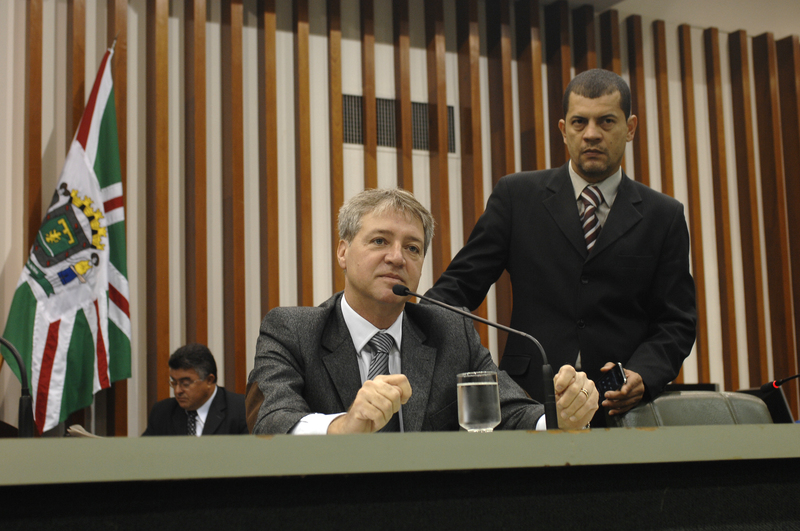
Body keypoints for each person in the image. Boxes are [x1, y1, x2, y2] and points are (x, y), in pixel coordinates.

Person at [425, 69, 696, 424]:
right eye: (580, 122)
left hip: (619, 408)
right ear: (563, 129)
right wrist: (422, 341)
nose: (592, 134)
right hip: (526, 400)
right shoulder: (517, 197)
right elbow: (455, 291)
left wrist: (644, 374)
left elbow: (676, 321)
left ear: (630, 128)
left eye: (606, 121)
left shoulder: (664, 215)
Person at [246, 188, 598, 435]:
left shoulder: (451, 331)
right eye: (380, 241)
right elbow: (270, 419)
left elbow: (508, 409)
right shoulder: (292, 330)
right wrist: (343, 427)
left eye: (412, 248)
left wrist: (558, 417)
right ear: (343, 251)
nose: (397, 258)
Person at [143, 343, 248, 436]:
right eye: (174, 383)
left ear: (209, 380)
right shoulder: (162, 413)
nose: (177, 391)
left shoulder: (242, 410)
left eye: (185, 384)